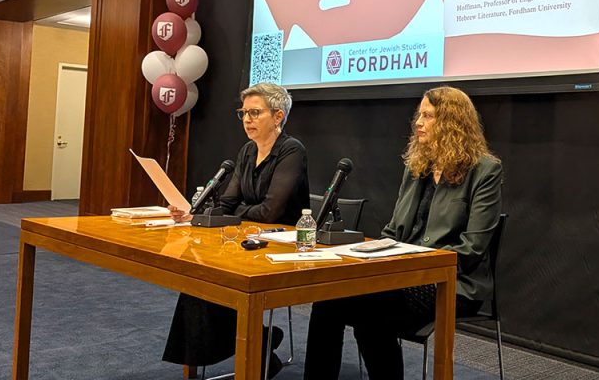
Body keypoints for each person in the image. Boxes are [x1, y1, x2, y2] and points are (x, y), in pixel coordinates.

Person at [303, 86, 502, 380]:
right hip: (403, 275)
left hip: (453, 282)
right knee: (328, 298)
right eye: (419, 115)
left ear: (453, 123)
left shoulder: (485, 170)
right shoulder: (417, 167)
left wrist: (410, 265)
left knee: (372, 312)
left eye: (428, 116)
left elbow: (472, 249)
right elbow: (394, 230)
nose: (418, 123)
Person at [163, 82, 309, 379]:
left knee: (221, 275)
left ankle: (257, 342)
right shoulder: (246, 151)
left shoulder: (292, 150)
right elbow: (228, 201)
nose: (247, 119)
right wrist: (196, 213)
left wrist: (236, 212)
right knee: (199, 272)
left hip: (284, 246)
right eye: (243, 113)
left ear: (278, 116)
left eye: (255, 113)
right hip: (247, 239)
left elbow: (272, 212)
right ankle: (258, 340)